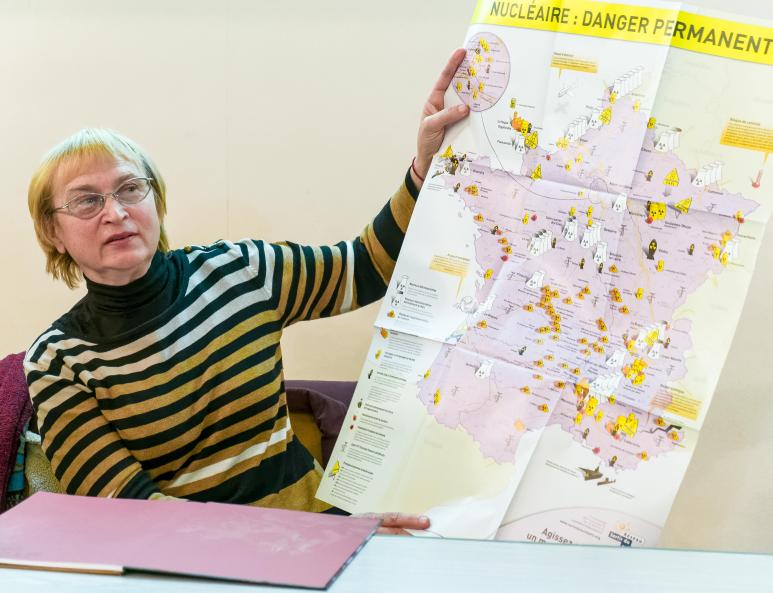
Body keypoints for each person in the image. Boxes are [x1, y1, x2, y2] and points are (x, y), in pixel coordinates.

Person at [23, 50, 469, 534]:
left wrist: (426, 169)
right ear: (53, 232)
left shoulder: (240, 270)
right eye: (87, 200)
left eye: (131, 188)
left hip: (321, 533)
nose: (116, 212)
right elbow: (129, 514)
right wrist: (299, 540)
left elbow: (364, 267)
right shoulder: (56, 360)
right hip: (191, 565)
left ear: (156, 201)